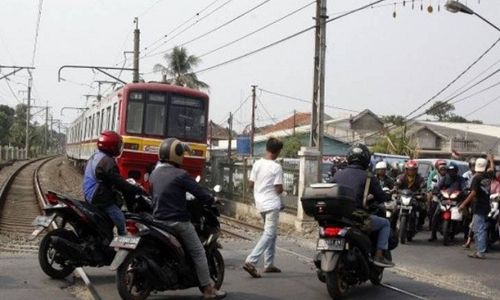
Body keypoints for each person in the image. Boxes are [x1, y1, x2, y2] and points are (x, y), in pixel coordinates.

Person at [149, 138, 226, 299]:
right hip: (177, 222)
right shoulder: (181, 174)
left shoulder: (154, 173)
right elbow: (199, 192)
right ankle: (208, 290)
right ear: (176, 155)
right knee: (199, 252)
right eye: (181, 152)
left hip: (157, 220)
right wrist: (212, 199)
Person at [332, 143, 395, 268]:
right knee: (385, 224)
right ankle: (379, 255)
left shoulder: (338, 174)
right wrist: (387, 196)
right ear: (366, 159)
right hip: (357, 217)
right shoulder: (368, 176)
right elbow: (381, 197)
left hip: (337, 216)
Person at [83, 131, 144, 236]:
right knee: (121, 219)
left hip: (89, 194)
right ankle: (124, 237)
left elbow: (111, 178)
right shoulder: (108, 161)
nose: (119, 148)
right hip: (98, 197)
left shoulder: (95, 156)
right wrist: (136, 189)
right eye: (118, 145)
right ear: (111, 146)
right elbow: (119, 183)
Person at [243, 137, 284, 278]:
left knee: (271, 234)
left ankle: (269, 264)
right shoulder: (276, 167)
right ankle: (251, 261)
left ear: (267, 148)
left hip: (260, 203)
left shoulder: (257, 164)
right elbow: (278, 189)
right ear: (278, 151)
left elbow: (250, 184)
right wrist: (283, 190)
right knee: (269, 233)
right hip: (272, 204)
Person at [459, 155, 495, 259]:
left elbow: (473, 193)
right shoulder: (488, 176)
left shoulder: (476, 178)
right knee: (476, 228)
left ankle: (481, 251)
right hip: (485, 205)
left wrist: (463, 204)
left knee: (480, 229)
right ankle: (478, 250)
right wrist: (491, 159)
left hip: (478, 206)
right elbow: (492, 168)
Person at [428, 162, 466, 242]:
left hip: (456, 201)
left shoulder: (460, 179)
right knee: (435, 215)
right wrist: (436, 191)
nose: (451, 172)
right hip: (444, 200)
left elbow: (464, 188)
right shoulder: (444, 178)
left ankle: (466, 235)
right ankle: (433, 234)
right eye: (450, 171)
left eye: (453, 171)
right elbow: (438, 187)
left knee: (466, 216)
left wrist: (464, 192)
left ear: (456, 171)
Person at [396, 160, 427, 230]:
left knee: (423, 209)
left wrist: (423, 192)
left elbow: (423, 186)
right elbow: (397, 185)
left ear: (416, 170)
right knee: (395, 209)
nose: (411, 171)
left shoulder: (420, 178)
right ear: (406, 170)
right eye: (409, 170)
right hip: (403, 197)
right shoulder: (401, 177)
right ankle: (392, 226)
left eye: (413, 170)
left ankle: (419, 224)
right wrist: (395, 189)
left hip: (414, 197)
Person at [426, 160, 447, 230]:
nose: (443, 171)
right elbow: (431, 184)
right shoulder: (435, 175)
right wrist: (431, 189)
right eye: (441, 169)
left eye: (444, 168)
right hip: (437, 194)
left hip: (446, 195)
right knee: (432, 207)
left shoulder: (449, 176)